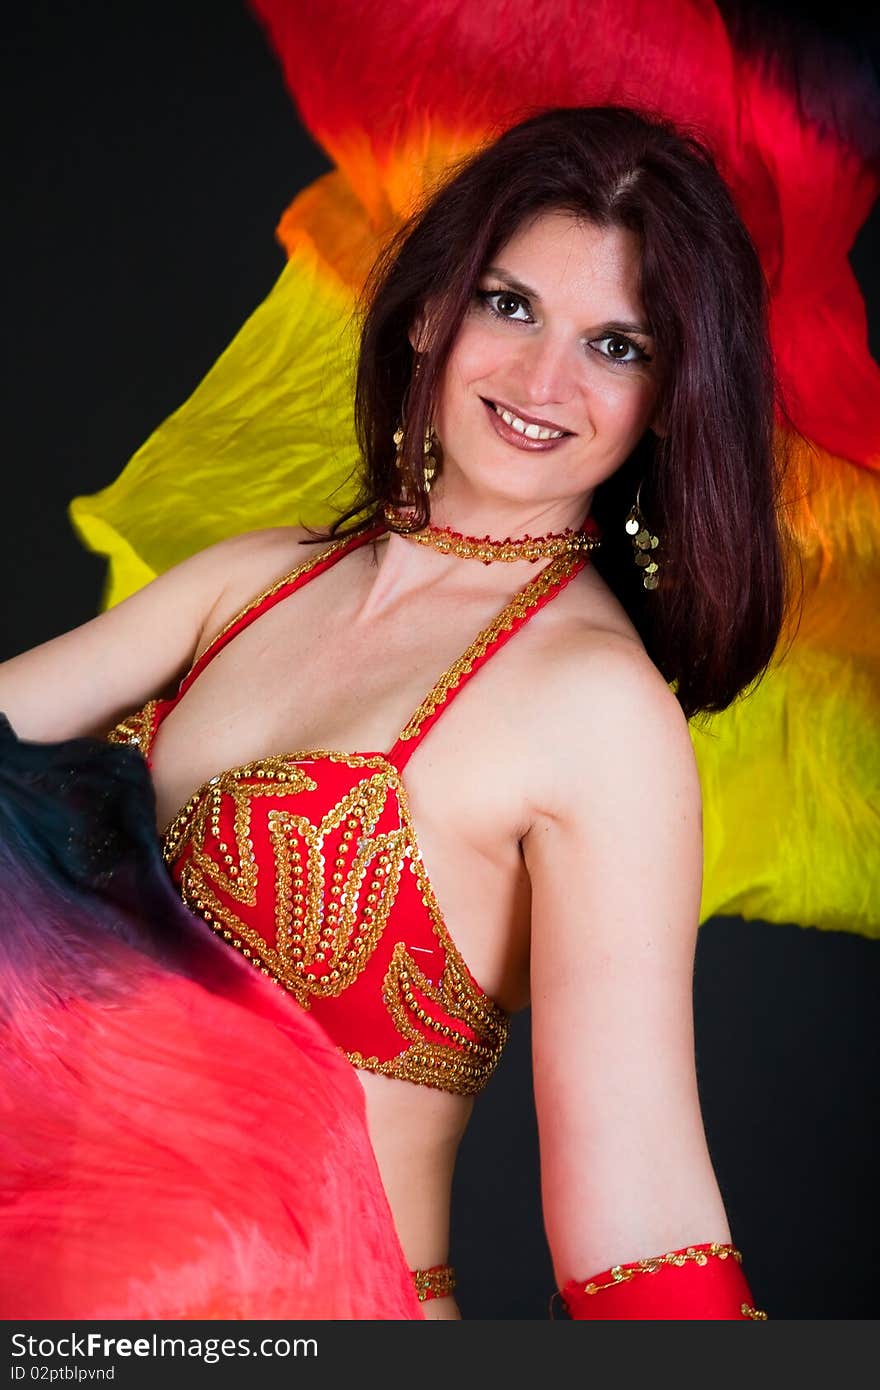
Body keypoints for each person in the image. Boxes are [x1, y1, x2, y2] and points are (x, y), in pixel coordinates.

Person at [0, 105, 793, 1320]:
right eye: (512, 305)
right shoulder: (253, 577)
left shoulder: (599, 713)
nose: (543, 380)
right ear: (431, 308)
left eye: (618, 346)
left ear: (670, 400)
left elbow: (641, 1210)